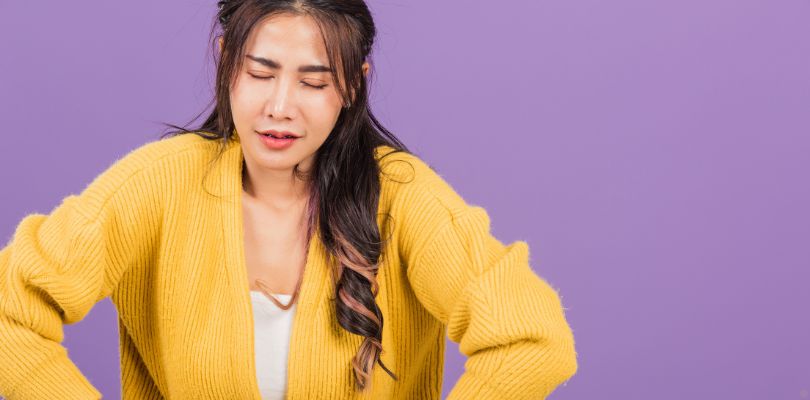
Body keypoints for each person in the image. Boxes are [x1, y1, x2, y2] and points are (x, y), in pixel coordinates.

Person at [0, 1, 578, 399]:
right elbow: (11, 312)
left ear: (352, 84)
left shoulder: (403, 197)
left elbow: (531, 337)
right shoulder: (160, 183)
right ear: (228, 62)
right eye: (261, 72)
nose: (280, 106)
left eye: (314, 81)